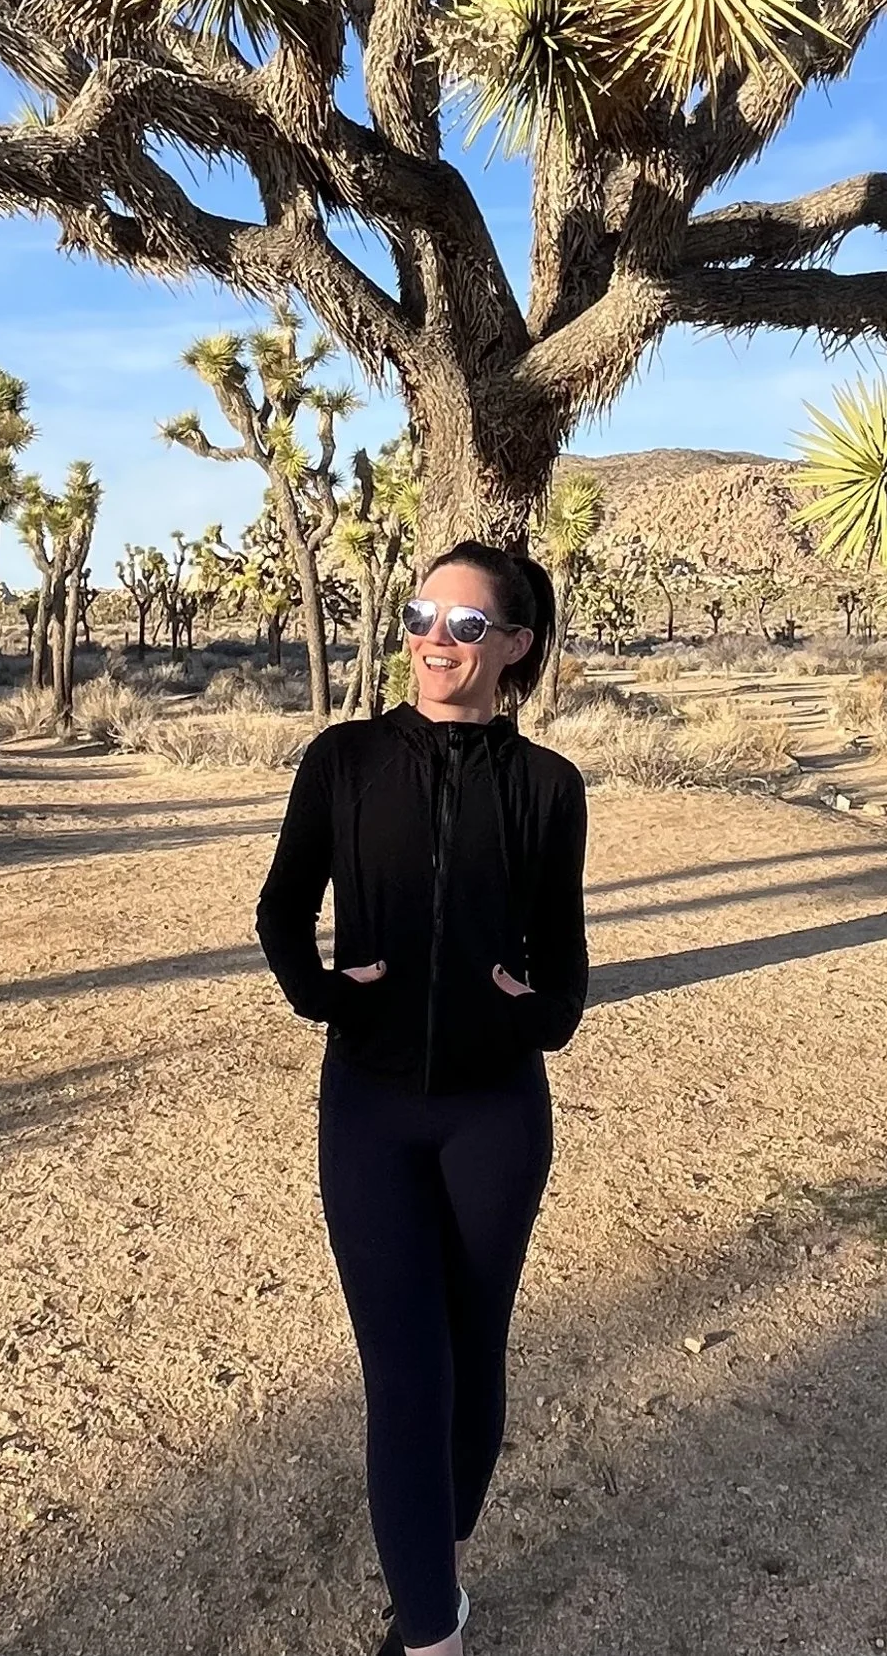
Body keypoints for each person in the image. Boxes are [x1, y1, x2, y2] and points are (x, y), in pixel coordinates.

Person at [256, 540, 591, 1656]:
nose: (433, 640)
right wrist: (321, 995)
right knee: (407, 1373)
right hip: (371, 1106)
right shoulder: (344, 759)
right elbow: (281, 908)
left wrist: (536, 1013)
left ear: (515, 645)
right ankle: (432, 1629)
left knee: (474, 1353)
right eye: (418, 615)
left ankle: (434, 1557)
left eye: (464, 623)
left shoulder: (548, 787)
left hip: (496, 1115)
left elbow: (566, 963)